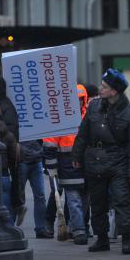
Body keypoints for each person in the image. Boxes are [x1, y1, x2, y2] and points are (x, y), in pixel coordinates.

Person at [72, 68, 130, 255]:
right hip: (95, 160)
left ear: (114, 91)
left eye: (104, 86)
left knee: (122, 201)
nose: (100, 89)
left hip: (119, 162)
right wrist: (76, 156)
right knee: (98, 202)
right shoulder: (94, 107)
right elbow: (83, 133)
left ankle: (126, 239)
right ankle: (101, 239)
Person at [43, 84, 89, 245]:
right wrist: (52, 168)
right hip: (67, 166)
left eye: (80, 100)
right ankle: (79, 230)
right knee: (75, 201)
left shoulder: (88, 117)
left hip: (85, 166)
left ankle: (75, 228)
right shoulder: (59, 119)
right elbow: (49, 144)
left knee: (83, 201)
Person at [0, 75, 26, 225]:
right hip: (2, 161)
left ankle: (9, 222)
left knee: (6, 196)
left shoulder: (5, 106)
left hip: (4, 162)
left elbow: (11, 133)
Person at [0, 100, 19, 224]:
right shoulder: (8, 134)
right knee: (6, 203)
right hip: (4, 172)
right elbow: (13, 157)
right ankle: (9, 227)